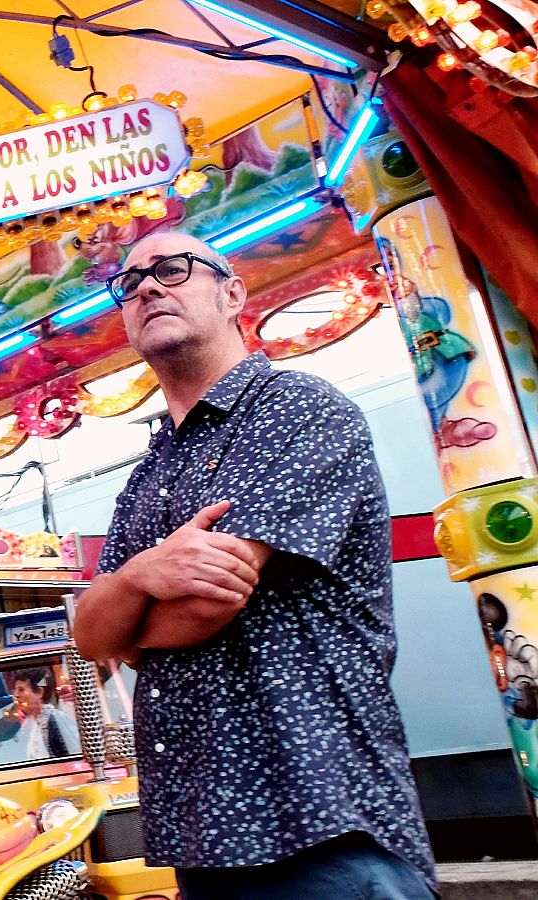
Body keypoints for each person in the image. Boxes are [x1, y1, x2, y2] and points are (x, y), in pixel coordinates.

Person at [71, 232, 436, 899]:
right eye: (129, 283)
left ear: (233, 294)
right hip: (201, 835)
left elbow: (207, 602)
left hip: (317, 820)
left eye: (172, 270)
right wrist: (141, 574)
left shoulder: (299, 408)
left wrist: (127, 623)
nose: (146, 287)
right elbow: (89, 636)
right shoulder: (149, 472)